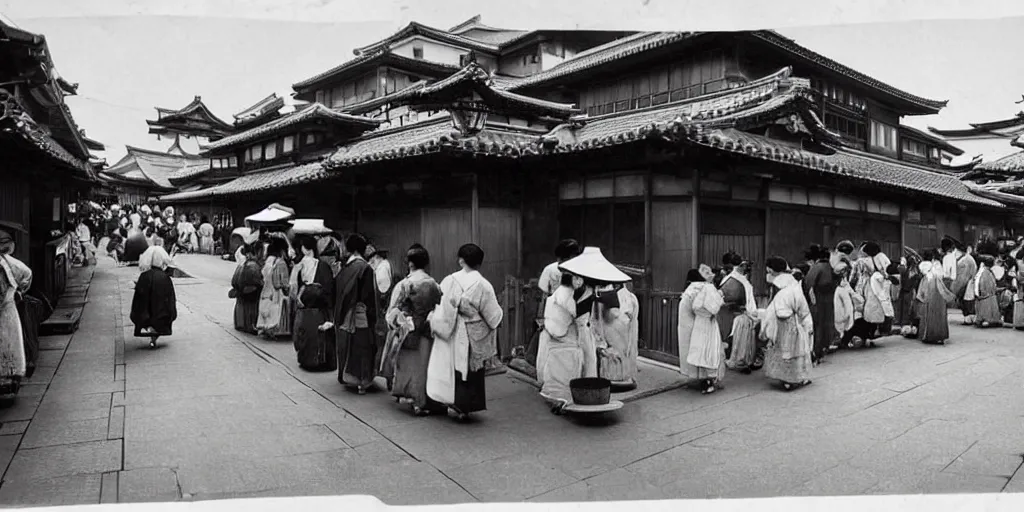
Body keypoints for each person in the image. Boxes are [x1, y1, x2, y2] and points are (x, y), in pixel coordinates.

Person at [427, 243, 503, 421]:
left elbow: (442, 305)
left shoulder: (449, 280)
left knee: (452, 364)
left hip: (452, 329)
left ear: (460, 260)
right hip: (473, 331)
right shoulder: (483, 285)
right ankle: (466, 407)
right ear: (480, 263)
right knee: (471, 369)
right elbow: (493, 315)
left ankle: (450, 401)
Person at [383, 244, 446, 416]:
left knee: (407, 364)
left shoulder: (405, 284)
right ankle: (422, 400)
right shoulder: (434, 284)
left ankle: (410, 397)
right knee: (423, 366)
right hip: (427, 329)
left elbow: (392, 311)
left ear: (410, 263)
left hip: (408, 330)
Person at [331, 234, 379, 395]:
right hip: (360, 313)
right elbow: (368, 296)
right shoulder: (365, 268)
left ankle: (344, 376)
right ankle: (361, 381)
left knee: (346, 346)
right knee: (363, 346)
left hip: (343, 313)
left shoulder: (345, 268)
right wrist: (373, 316)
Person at [761, 256, 813, 392]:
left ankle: (786, 379)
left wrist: (765, 324)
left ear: (770, 269)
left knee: (783, 350)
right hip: (796, 319)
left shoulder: (776, 285)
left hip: (781, 321)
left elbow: (773, 306)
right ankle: (799, 377)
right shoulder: (793, 282)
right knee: (798, 349)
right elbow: (802, 306)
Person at [527, 239, 582, 368]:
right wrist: (541, 316)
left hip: (575, 312)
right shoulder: (551, 269)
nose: (561, 263)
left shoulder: (582, 271)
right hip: (556, 311)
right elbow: (544, 295)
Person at [677, 264, 726, 395]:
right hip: (704, 324)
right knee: (708, 352)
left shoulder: (692, 290)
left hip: (692, 325)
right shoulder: (704, 289)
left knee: (697, 353)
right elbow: (713, 307)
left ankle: (701, 379)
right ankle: (709, 380)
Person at [291, 236, 336, 372]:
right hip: (320, 307)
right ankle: (321, 361)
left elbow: (293, 288)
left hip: (304, 307)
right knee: (320, 335)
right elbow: (329, 287)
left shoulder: (299, 265)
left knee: (305, 333)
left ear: (304, 248)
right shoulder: (323, 266)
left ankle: (306, 359)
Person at [592, 279, 640, 389]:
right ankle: (621, 376)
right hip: (621, 326)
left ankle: (615, 377)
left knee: (618, 353)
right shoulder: (629, 296)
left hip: (614, 327)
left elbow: (606, 316)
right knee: (621, 352)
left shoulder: (606, 294)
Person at [0, 229, 29, 402]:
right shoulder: (10, 263)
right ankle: (9, 383)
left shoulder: (6, 262)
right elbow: (26, 275)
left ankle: (8, 383)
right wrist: (19, 291)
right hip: (8, 310)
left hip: (6, 310)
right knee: (10, 346)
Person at [130, 246, 177, 349]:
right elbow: (170, 300)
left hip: (146, 313)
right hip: (161, 314)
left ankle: (149, 329)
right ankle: (154, 335)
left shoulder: (144, 276)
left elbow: (138, 300)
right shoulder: (165, 278)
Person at [803, 244, 837, 364]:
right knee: (826, 324)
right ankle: (822, 350)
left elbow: (809, 286)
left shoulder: (816, 268)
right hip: (829, 300)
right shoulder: (829, 267)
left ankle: (815, 352)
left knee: (816, 325)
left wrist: (811, 302)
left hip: (817, 300)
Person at [723, 260, 758, 374]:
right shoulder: (738, 281)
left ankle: (742, 360)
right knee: (741, 338)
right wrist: (750, 313)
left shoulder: (730, 279)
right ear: (741, 266)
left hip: (734, 313)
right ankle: (741, 361)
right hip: (739, 314)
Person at [915, 250, 955, 344]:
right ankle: (940, 335)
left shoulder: (923, 265)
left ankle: (928, 335)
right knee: (939, 312)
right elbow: (942, 275)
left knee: (927, 311)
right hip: (937, 286)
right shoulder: (937, 265)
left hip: (927, 284)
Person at [256, 237, 292, 339]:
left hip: (266, 291)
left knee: (267, 309)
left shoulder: (268, 261)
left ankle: (266, 330)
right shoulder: (281, 263)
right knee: (277, 311)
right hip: (277, 293)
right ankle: (275, 331)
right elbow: (284, 282)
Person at [230, 238, 263, 335]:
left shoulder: (242, 264)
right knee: (250, 308)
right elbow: (256, 281)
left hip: (242, 291)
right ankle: (250, 325)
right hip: (251, 291)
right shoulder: (253, 266)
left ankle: (242, 324)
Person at [716, 251, 743, 355]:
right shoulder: (738, 277)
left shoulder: (732, 279)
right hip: (734, 309)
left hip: (729, 310)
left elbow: (726, 294)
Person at [974, 254, 1002, 328]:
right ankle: (987, 319)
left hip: (986, 295)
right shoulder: (987, 272)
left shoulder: (983, 272)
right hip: (987, 295)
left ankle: (985, 319)